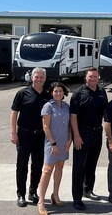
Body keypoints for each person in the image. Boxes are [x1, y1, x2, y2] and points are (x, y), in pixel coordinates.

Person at [10, 67, 51, 208]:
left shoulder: (48, 94)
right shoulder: (22, 93)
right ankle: (20, 194)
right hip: (24, 134)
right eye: (36, 77)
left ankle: (33, 192)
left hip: (40, 135)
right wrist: (13, 132)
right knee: (22, 165)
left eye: (41, 77)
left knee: (37, 165)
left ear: (45, 78)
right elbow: (14, 113)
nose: (39, 79)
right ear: (32, 77)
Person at [70, 67, 108, 210]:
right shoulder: (78, 93)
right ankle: (77, 198)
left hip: (97, 132)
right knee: (79, 166)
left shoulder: (101, 91)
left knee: (91, 164)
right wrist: (76, 136)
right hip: (82, 132)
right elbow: (73, 117)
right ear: (85, 78)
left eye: (95, 76)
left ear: (99, 77)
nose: (93, 79)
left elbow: (106, 112)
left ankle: (88, 190)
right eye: (90, 76)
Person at [37, 82, 72, 215]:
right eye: (56, 91)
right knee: (47, 170)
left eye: (61, 91)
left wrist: (70, 139)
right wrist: (53, 144)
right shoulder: (48, 106)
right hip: (52, 143)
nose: (58, 93)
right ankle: (41, 201)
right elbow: (45, 127)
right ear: (52, 92)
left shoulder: (66, 106)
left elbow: (69, 125)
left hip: (64, 143)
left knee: (60, 167)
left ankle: (55, 195)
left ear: (64, 93)